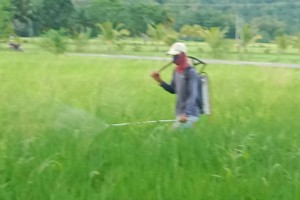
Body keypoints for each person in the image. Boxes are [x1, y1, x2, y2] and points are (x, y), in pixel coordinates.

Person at [151, 42, 201, 128]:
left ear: (183, 55)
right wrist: (159, 80)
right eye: (173, 56)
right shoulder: (176, 71)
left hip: (189, 114)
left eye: (176, 56)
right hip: (180, 113)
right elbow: (173, 90)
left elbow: (193, 95)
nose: (173, 58)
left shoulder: (191, 73)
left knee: (172, 134)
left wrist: (186, 113)